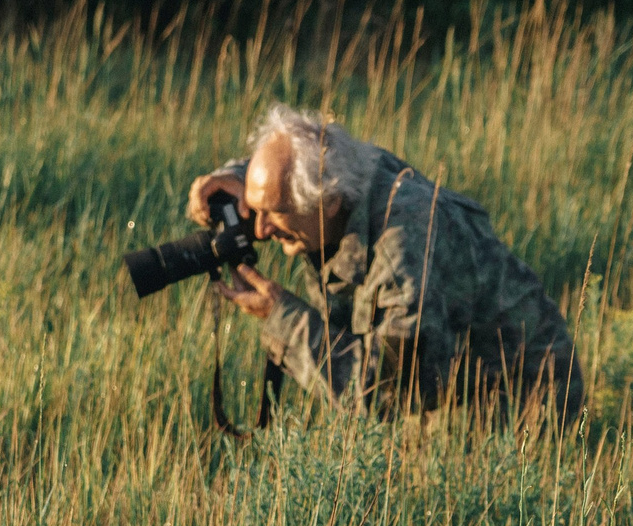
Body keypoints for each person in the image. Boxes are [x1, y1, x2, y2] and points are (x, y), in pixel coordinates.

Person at [186, 104, 582, 418]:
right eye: (255, 212)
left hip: (520, 404)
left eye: (274, 213)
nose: (260, 230)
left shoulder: (403, 245)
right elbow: (296, 153)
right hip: (450, 395)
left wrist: (282, 318)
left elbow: (381, 392)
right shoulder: (349, 168)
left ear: (329, 200)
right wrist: (234, 178)